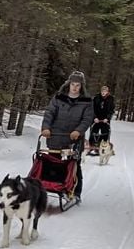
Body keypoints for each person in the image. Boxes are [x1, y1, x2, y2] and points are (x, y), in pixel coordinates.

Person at [40, 71, 94, 203]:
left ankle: (76, 192)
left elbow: (87, 119)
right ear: (68, 84)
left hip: (74, 138)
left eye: (78, 85)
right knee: (52, 161)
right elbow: (49, 113)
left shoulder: (87, 101)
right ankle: (50, 185)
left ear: (82, 86)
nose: (75, 87)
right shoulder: (59, 97)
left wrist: (79, 131)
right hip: (56, 135)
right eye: (73, 84)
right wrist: (46, 128)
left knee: (74, 164)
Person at [88, 85, 115, 155]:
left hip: (105, 119)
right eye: (102, 91)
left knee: (105, 133)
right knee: (93, 132)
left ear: (107, 92)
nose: (103, 92)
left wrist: (107, 118)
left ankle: (103, 148)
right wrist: (94, 117)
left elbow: (111, 110)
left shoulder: (111, 99)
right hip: (96, 118)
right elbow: (92, 109)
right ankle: (91, 147)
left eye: (105, 91)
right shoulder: (96, 98)